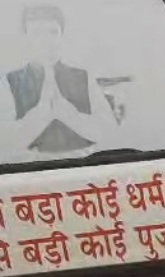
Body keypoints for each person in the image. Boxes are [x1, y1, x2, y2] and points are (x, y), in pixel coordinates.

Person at [0, 4, 118, 163]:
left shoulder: (84, 78)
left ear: (62, 36)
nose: (45, 40)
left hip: (84, 167)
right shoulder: (8, 83)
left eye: (53, 32)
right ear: (25, 38)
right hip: (31, 171)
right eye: (36, 33)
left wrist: (69, 114)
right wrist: (41, 115)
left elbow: (110, 133)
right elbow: (4, 143)